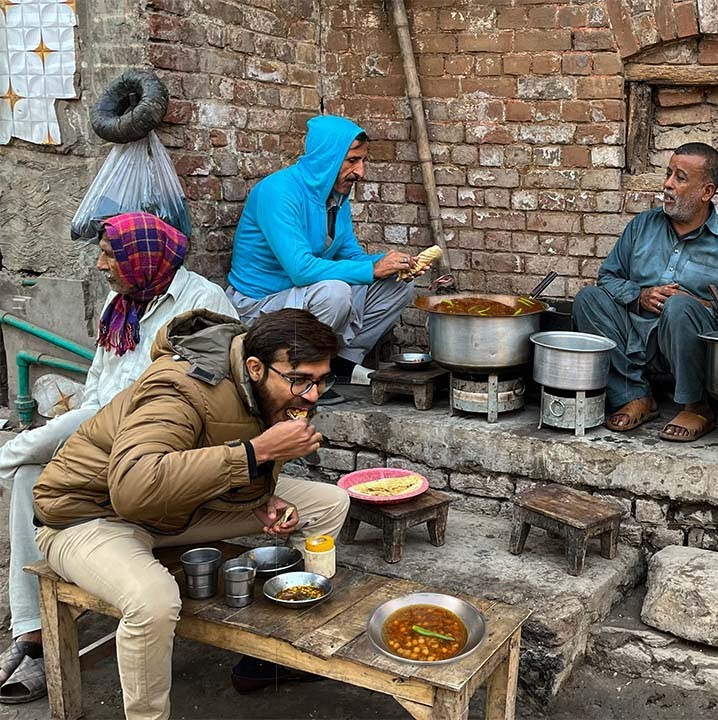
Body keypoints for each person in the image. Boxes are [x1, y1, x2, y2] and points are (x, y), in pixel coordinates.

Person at [31, 308, 351, 719]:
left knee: (328, 503)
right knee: (152, 602)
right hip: (89, 515)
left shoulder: (274, 388)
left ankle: (274, 658)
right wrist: (261, 451)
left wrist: (259, 495)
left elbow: (222, 455)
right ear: (254, 367)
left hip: (178, 509)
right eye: (300, 380)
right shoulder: (178, 387)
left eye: (322, 380)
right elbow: (133, 487)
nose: (312, 395)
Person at [0, 212, 236, 705]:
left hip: (161, 449)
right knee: (28, 474)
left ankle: (59, 610)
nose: (102, 264)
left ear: (144, 258)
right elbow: (96, 395)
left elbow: (141, 405)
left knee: (21, 459)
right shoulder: (122, 301)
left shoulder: (203, 304)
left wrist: (35, 441)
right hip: (106, 435)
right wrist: (64, 440)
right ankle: (33, 633)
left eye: (111, 255)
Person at [225, 115, 429, 403]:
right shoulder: (278, 192)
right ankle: (305, 375)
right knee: (334, 292)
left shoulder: (336, 197)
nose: (361, 171)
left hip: (302, 296)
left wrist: (396, 264)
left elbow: (352, 257)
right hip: (260, 303)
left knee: (397, 285)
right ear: (328, 157)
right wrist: (372, 268)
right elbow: (300, 270)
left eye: (362, 161)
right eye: (352, 161)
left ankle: (339, 364)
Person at [573, 143, 718, 442]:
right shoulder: (641, 226)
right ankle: (635, 396)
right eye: (668, 173)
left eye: (681, 177)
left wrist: (697, 304)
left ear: (707, 192)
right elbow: (608, 277)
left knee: (679, 307)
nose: (668, 184)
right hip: (635, 337)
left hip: (688, 347)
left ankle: (697, 405)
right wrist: (640, 295)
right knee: (588, 299)